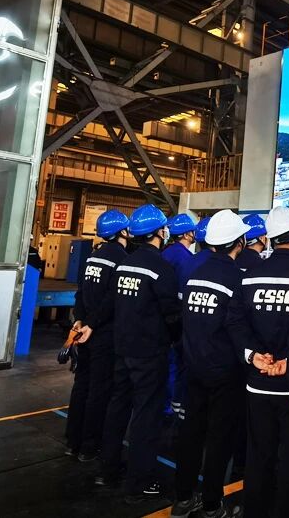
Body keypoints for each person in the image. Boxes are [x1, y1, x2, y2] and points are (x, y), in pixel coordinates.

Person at [97, 204, 182, 504]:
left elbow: (111, 305)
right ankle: (139, 483)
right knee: (146, 416)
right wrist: (177, 341)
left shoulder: (125, 264)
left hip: (122, 349)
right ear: (159, 232)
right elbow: (172, 314)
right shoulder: (161, 268)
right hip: (149, 353)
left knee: (118, 408)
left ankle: (108, 470)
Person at [227, 206, 289, 518]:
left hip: (257, 382)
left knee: (259, 455)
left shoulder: (250, 277)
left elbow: (234, 322)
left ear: (270, 239)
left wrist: (253, 355)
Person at [171, 210, 251, 518]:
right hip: (225, 374)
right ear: (239, 242)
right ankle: (212, 504)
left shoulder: (195, 276)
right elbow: (239, 328)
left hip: (194, 369)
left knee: (191, 433)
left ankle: (182, 498)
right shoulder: (237, 280)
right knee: (219, 439)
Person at [65, 210, 131, 461]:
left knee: (81, 384)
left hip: (84, 330)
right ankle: (89, 446)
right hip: (103, 333)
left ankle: (73, 441)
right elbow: (112, 299)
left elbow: (81, 292)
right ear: (122, 231)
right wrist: (92, 324)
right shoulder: (122, 259)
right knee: (99, 390)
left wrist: (80, 320)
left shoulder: (93, 257)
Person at [162, 213, 197, 419]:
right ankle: (172, 407)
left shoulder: (167, 252)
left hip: (161, 320)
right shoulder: (185, 258)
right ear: (186, 233)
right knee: (176, 365)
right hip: (176, 321)